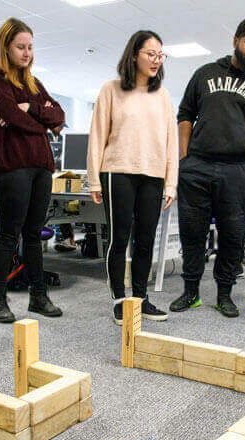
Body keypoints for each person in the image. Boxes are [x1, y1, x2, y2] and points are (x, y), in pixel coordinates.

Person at [170, 17, 245, 318]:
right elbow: (185, 114)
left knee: (233, 236)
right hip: (198, 166)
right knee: (192, 233)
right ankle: (191, 292)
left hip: (239, 169)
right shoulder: (205, 74)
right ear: (236, 40)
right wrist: (184, 158)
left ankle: (224, 294)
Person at [87, 30, 178, 325]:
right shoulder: (111, 90)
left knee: (146, 240)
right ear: (134, 55)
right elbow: (97, 136)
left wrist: (171, 183)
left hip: (153, 175)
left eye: (160, 55)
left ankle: (140, 298)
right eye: (151, 54)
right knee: (119, 237)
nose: (156, 60)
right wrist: (94, 178)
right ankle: (119, 299)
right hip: (118, 171)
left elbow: (171, 142)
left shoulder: (163, 96)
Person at [0, 18, 66, 323]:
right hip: (11, 166)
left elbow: (60, 115)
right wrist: (41, 121)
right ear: (6, 47)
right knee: (8, 234)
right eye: (21, 47)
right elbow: (9, 114)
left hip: (41, 166)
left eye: (30, 47)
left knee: (32, 235)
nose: (27, 52)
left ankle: (38, 296)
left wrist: (30, 109)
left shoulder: (34, 84)